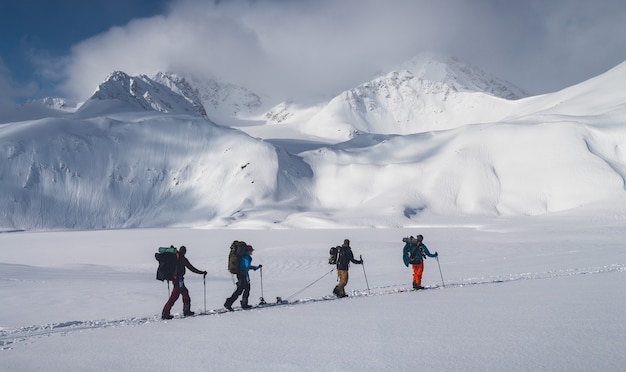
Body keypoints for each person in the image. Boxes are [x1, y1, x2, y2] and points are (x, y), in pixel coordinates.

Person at [162, 246, 207, 320]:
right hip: (178, 280)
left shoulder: (175, 258)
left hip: (177, 279)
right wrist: (201, 272)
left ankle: (186, 310)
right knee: (174, 297)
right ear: (184, 252)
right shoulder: (182, 259)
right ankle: (165, 313)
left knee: (185, 293)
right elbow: (192, 268)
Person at [224, 244, 261, 311]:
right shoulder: (246, 257)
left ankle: (243, 304)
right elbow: (247, 266)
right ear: (248, 251)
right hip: (243, 275)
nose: (252, 252)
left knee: (245, 289)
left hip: (241, 275)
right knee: (240, 290)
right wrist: (254, 267)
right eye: (251, 251)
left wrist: (255, 268)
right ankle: (228, 304)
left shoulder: (243, 256)